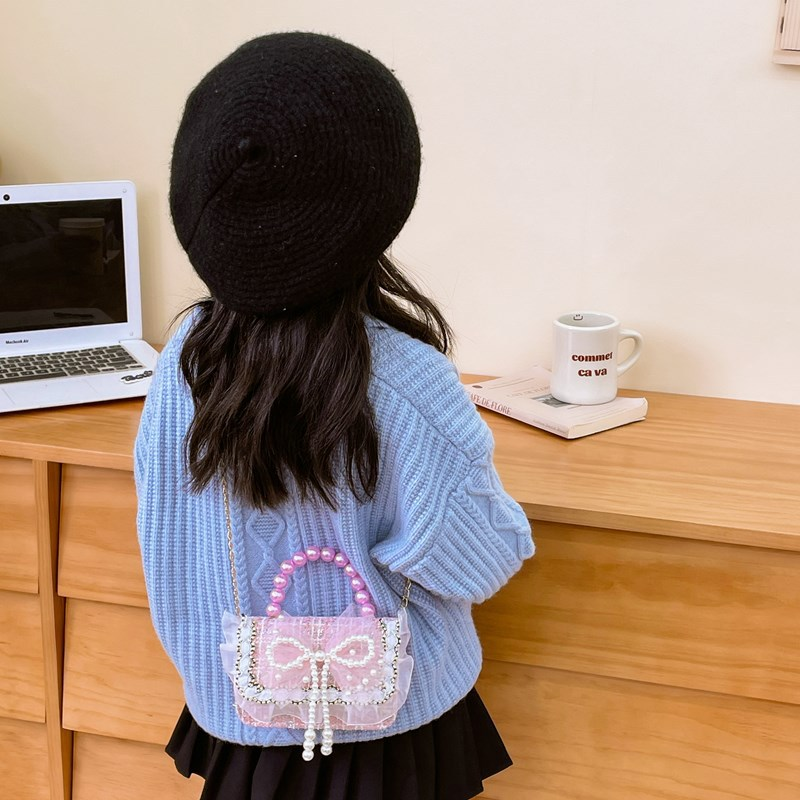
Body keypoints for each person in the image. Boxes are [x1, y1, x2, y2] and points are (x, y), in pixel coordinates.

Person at [135, 31, 534, 800]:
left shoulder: (184, 356)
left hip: (239, 724)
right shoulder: (407, 379)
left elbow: (166, 543)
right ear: (377, 203)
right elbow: (480, 560)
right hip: (385, 735)